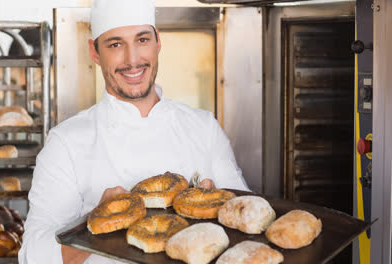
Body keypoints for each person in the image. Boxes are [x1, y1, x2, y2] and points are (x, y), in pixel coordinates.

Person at [19, 0, 250, 263]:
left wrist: (219, 209)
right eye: (115, 44)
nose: (132, 60)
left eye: (142, 40)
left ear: (157, 42)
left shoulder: (203, 127)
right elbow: (32, 255)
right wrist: (92, 223)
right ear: (94, 52)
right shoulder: (66, 142)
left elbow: (249, 223)